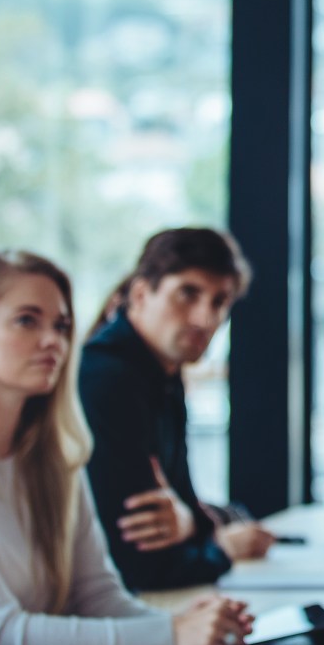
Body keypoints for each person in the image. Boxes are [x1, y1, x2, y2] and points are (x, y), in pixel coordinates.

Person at [0, 251, 249, 645]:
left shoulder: (53, 459)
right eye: (27, 321)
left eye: (61, 326)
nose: (52, 342)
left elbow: (99, 599)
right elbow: (2, 637)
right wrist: (174, 634)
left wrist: (192, 625)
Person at [79, 229, 274, 591]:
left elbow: (185, 504)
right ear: (140, 294)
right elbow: (140, 562)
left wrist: (192, 522)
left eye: (219, 302)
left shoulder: (163, 375)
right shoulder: (107, 378)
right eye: (188, 293)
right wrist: (222, 548)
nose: (205, 318)